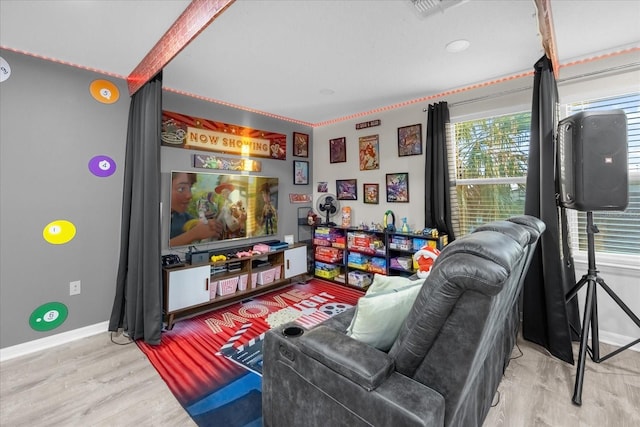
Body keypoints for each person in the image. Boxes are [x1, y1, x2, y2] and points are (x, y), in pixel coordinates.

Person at [170, 172, 223, 247]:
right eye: (181, 189)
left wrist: (209, 226)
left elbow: (196, 223)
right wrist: (193, 234)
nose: (189, 195)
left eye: (190, 188)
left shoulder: (183, 216)